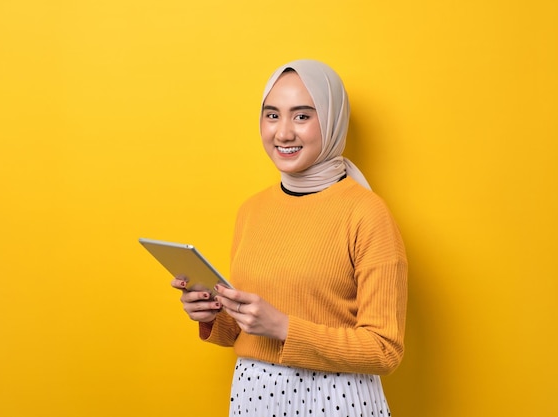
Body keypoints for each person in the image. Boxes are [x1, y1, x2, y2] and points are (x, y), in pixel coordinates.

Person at [171, 59, 407, 416]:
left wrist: (284, 327)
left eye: (301, 116)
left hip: (335, 399)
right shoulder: (251, 210)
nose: (282, 133)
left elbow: (384, 349)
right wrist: (209, 314)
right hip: (254, 395)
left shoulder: (367, 213)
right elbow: (242, 331)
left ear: (331, 120)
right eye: (271, 115)